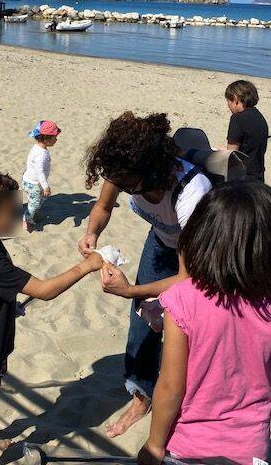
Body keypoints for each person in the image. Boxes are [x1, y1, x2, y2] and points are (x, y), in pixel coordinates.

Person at [126, 182, 271, 465]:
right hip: (250, 447)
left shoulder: (183, 298)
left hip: (189, 444)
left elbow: (171, 387)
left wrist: (154, 446)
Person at [0, 170, 104, 465]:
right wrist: (85, 267)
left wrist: (8, 305)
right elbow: (44, 290)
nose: (18, 215)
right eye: (12, 212)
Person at [78, 111, 211, 437]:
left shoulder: (192, 193)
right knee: (142, 322)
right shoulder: (125, 169)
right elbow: (103, 208)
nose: (119, 189)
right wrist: (92, 233)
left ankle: (188, 404)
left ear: (150, 173)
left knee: (186, 330)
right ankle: (141, 396)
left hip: (200, 258)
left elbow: (187, 278)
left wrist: (130, 291)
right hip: (162, 241)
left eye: (125, 185)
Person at [225, 79, 269, 181]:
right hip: (258, 174)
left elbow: (232, 154)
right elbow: (250, 145)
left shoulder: (237, 118)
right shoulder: (259, 116)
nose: (228, 106)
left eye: (228, 101)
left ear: (235, 99)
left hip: (242, 176)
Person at [22, 120, 61, 231]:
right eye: (54, 137)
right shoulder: (41, 155)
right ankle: (26, 219)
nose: (56, 140)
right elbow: (39, 172)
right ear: (46, 139)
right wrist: (45, 186)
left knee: (39, 199)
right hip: (33, 183)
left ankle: (33, 212)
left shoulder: (38, 148)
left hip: (31, 181)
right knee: (35, 203)